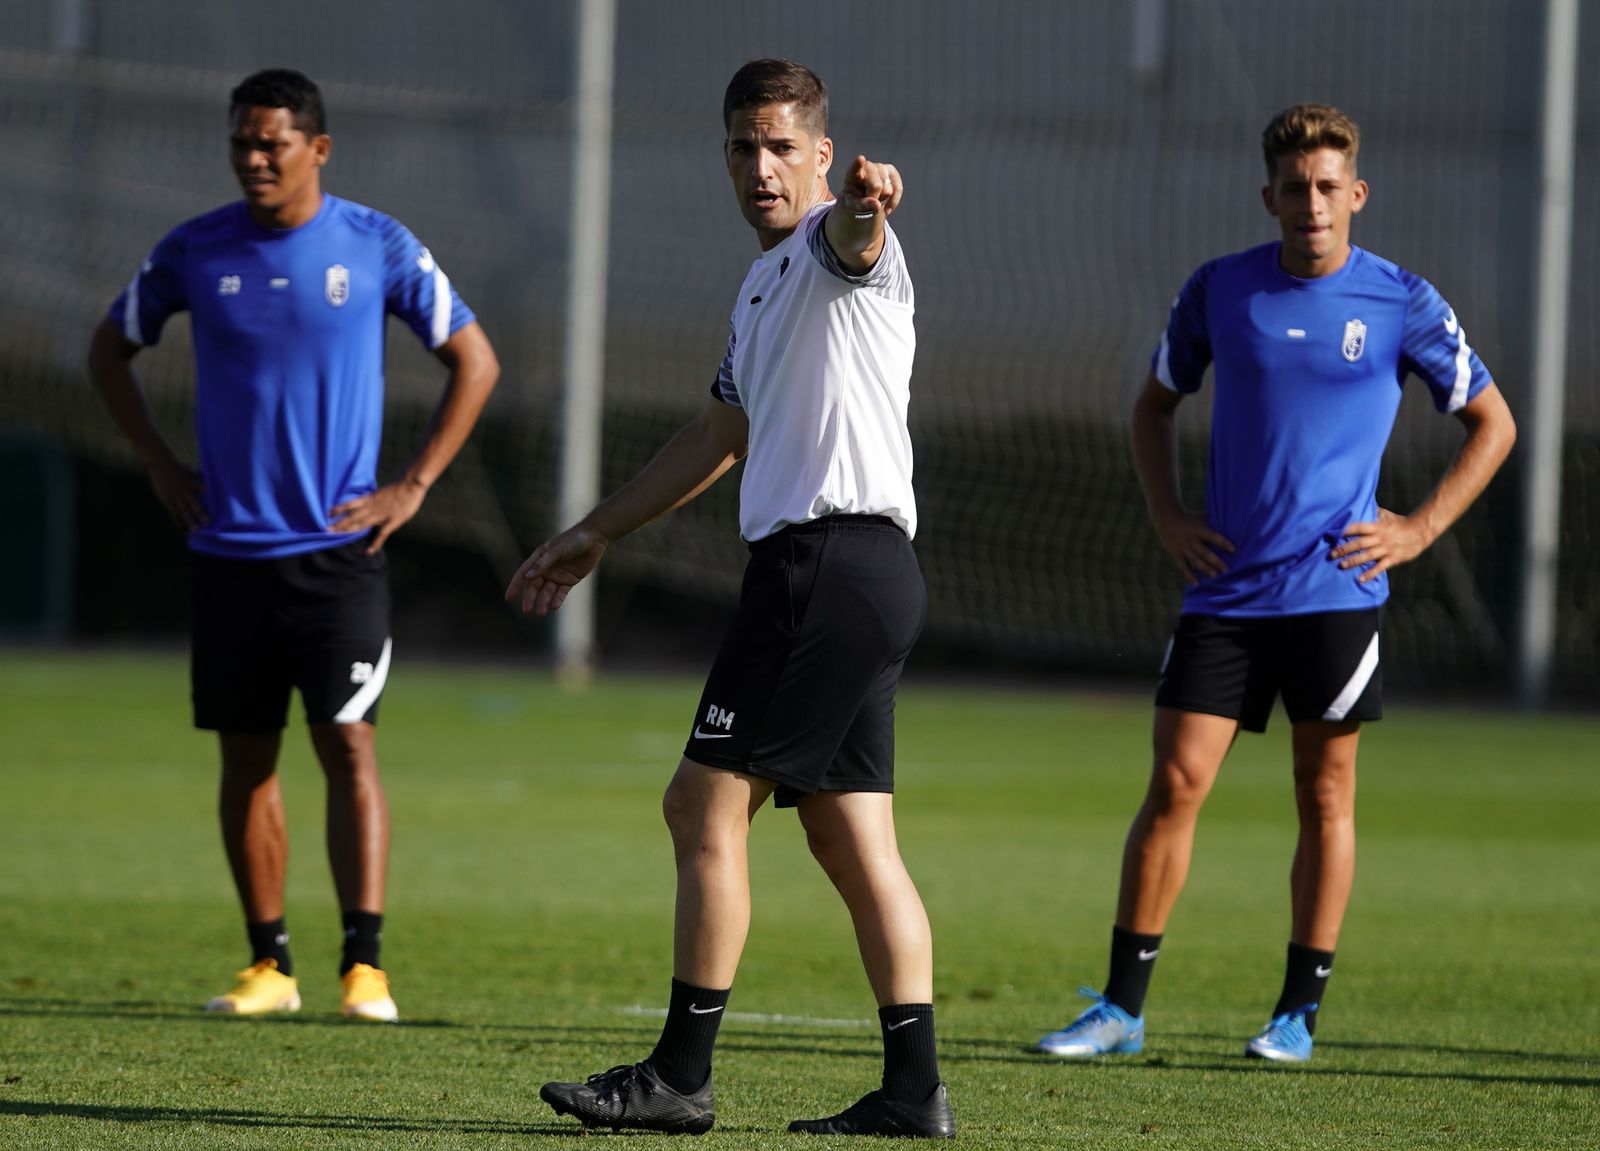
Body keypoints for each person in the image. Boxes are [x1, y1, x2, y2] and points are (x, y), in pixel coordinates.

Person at [506, 58, 953, 1139]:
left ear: (816, 150)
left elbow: (861, 235)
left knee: (700, 805)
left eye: (780, 146)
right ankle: (911, 1091)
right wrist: (592, 531)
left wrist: (866, 203)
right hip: (860, 575)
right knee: (853, 840)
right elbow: (717, 434)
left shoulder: (840, 250)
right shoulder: (758, 288)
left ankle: (678, 1075)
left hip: (825, 566)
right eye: (743, 148)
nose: (761, 166)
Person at [1036, 103, 1516, 1063]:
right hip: (1225, 593)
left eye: (1329, 187)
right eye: (1294, 189)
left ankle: (1297, 1013)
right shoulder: (1218, 290)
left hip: (1338, 591)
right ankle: (1121, 1009)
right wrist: (1169, 516)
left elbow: (1493, 423)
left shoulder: (1404, 301)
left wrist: (1418, 528)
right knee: (1174, 783)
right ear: (1269, 196)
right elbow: (1152, 405)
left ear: (1357, 193)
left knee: (1324, 793)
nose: (1312, 204)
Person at [88, 68, 500, 1022]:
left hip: (337, 556)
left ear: (318, 148)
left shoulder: (377, 243)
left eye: (272, 141)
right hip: (229, 553)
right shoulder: (194, 249)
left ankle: (366, 966)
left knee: (349, 744)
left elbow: (474, 360)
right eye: (241, 141)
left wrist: (414, 484)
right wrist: (158, 464)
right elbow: (109, 348)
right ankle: (269, 964)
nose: (254, 157)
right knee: (246, 762)